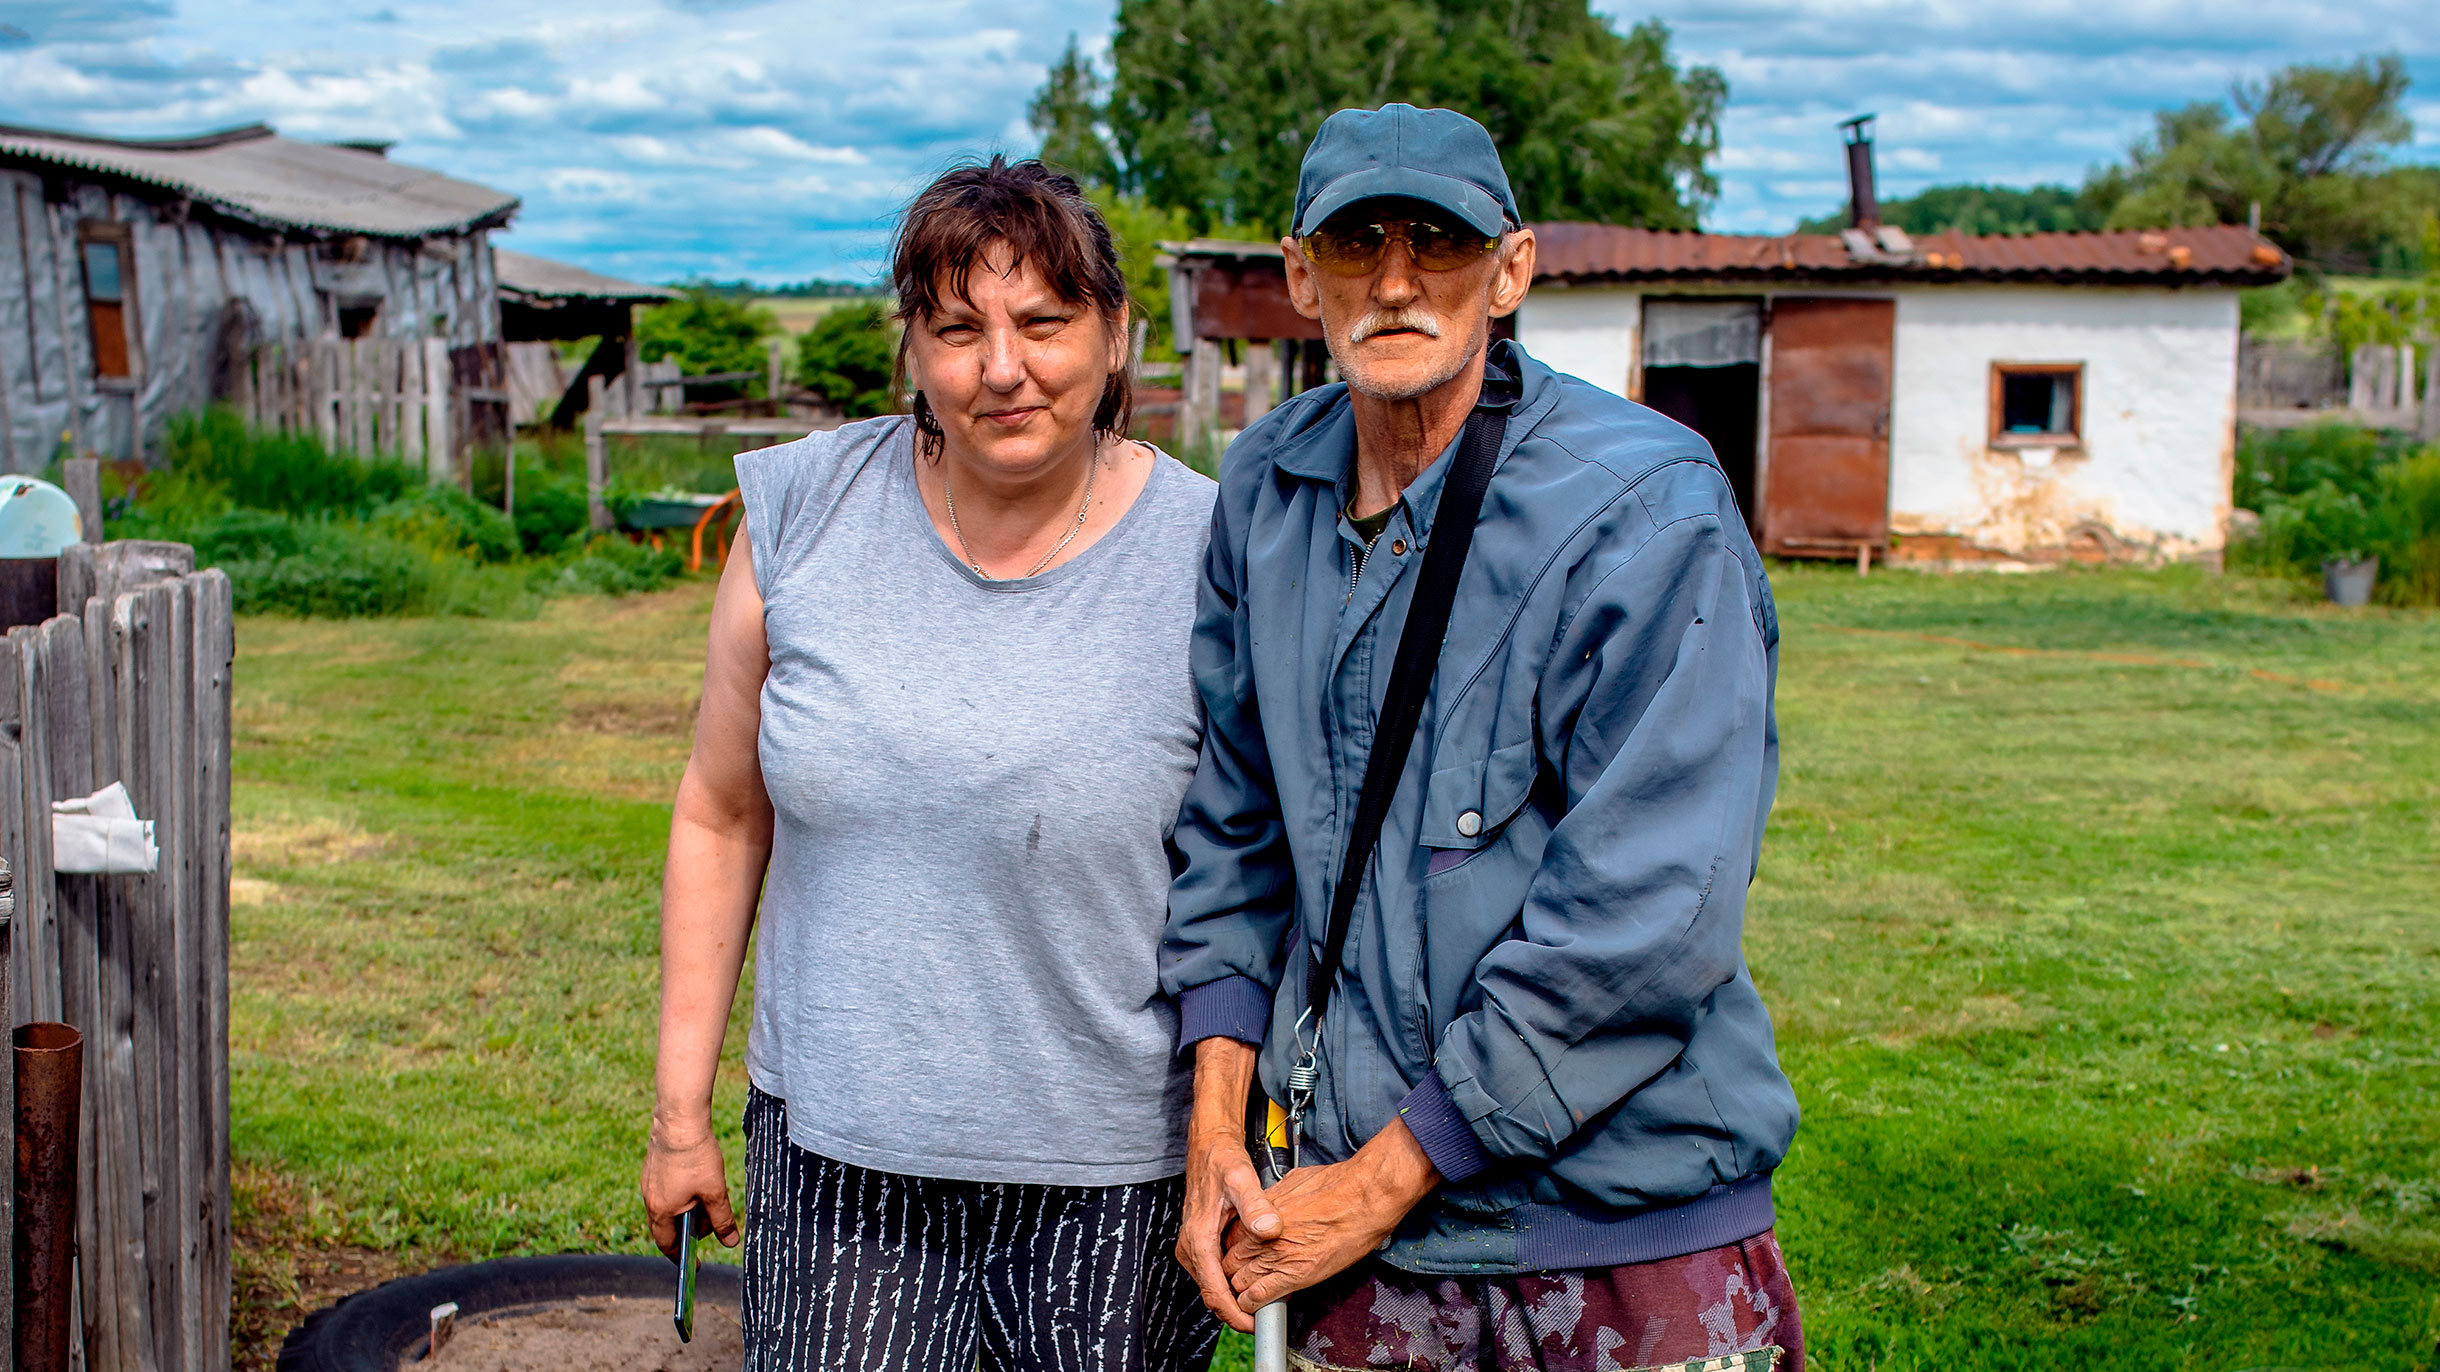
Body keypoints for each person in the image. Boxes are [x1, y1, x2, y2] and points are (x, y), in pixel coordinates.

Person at [1162, 104, 1806, 1372]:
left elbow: (1650, 916)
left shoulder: (1647, 503)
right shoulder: (1265, 488)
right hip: (1359, 1247)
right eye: (1357, 243)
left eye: (1438, 241)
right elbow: (1234, 827)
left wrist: (1387, 1174)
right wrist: (1217, 1131)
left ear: (1509, 268)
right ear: (1300, 274)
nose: (1396, 281)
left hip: (1617, 1231)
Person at [640, 155, 1222, 1372]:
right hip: (841, 1164)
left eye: (1044, 323)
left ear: (1117, 335)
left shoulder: (1215, 552)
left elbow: (1256, 871)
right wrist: (679, 1114)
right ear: (912, 348)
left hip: (1112, 1178)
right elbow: (719, 813)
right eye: (956, 329)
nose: (1000, 369)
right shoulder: (803, 514)